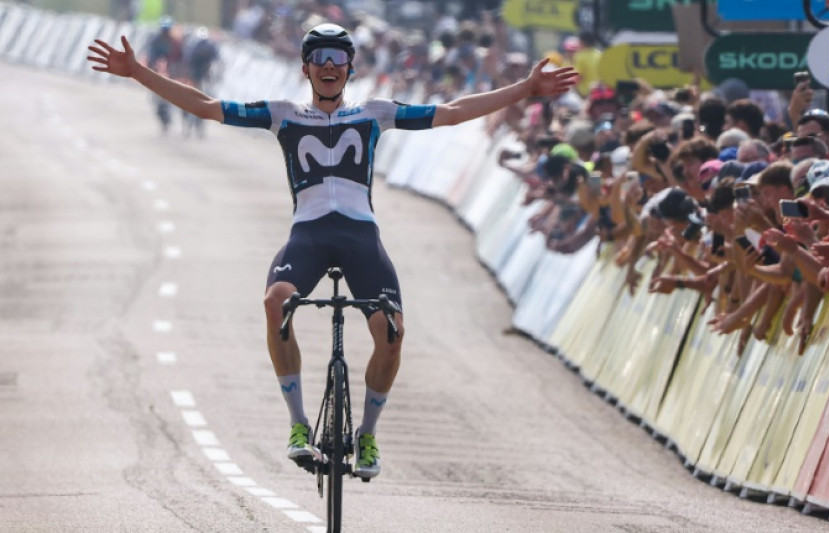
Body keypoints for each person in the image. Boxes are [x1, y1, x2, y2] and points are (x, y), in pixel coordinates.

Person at [87, 24, 577, 479]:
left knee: (392, 334)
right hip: (308, 235)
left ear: (350, 68)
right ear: (305, 68)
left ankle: (368, 435)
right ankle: (298, 425)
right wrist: (138, 72)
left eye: (338, 57)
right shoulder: (283, 113)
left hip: (362, 238)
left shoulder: (375, 112)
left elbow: (451, 113)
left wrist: (525, 89)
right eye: (319, 57)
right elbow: (206, 106)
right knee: (275, 302)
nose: (328, 65)